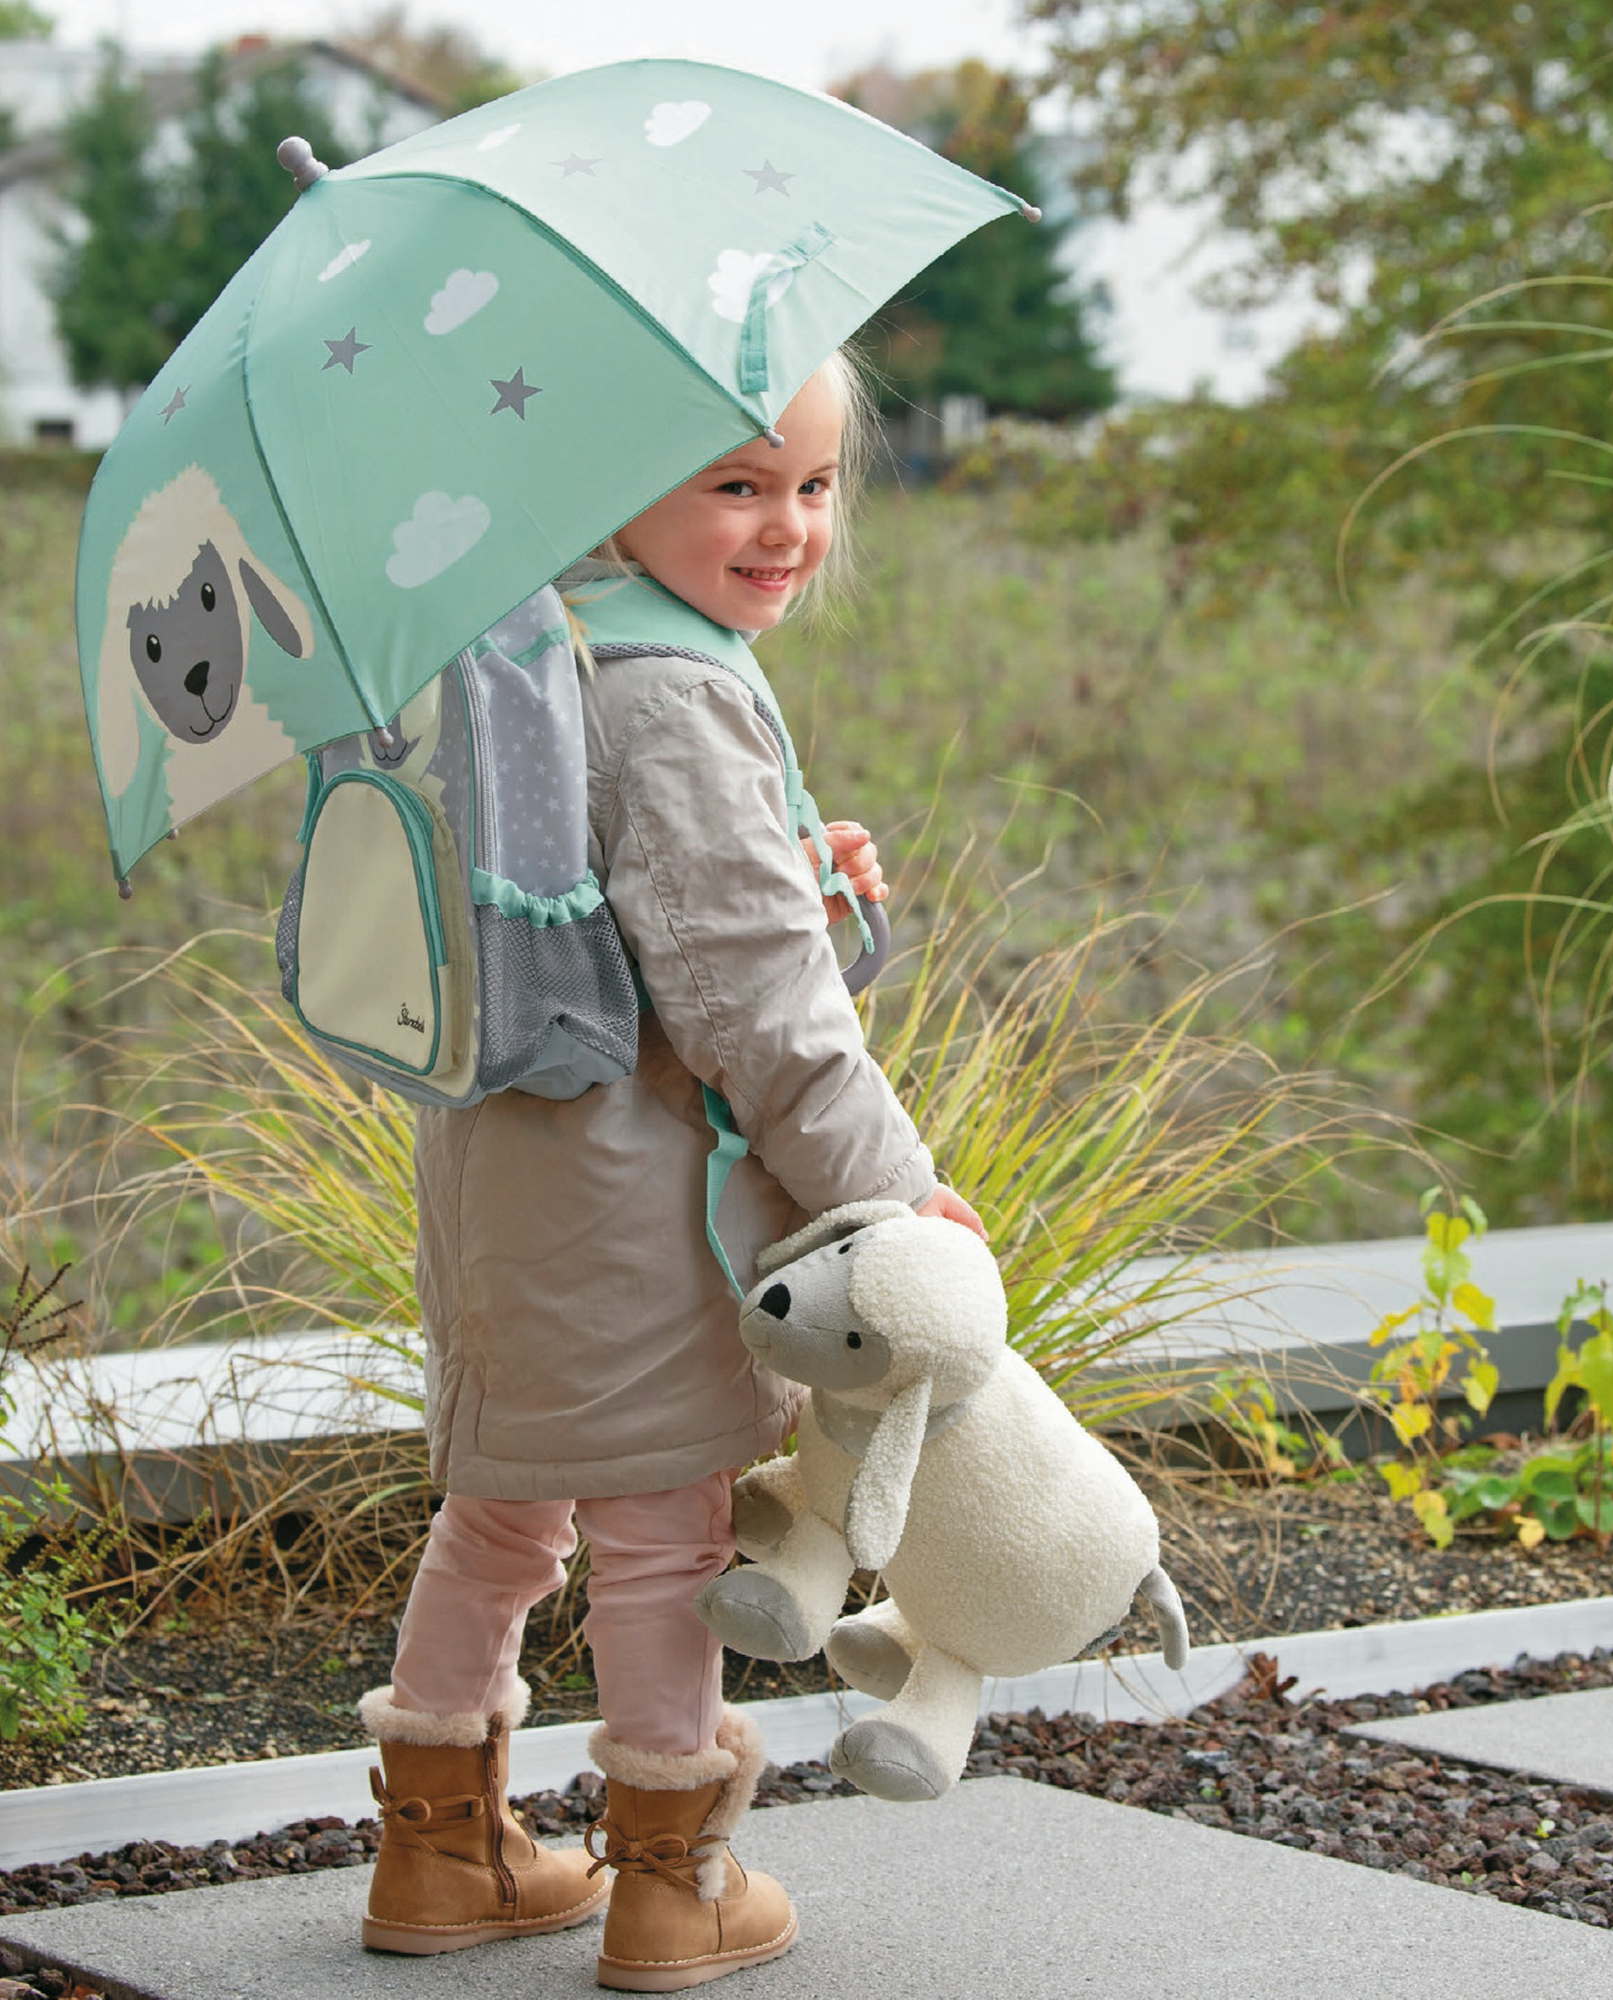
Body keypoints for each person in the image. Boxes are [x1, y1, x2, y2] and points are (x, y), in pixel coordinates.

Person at [356, 348, 985, 1992]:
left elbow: (657, 934)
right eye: (736, 485)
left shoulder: (525, 641)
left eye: (816, 484)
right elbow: (752, 1010)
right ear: (614, 479)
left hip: (502, 1186)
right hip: (641, 1205)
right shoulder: (677, 690)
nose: (789, 527)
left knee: (502, 1512)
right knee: (665, 1537)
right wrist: (890, 1194)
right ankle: (671, 1880)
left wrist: (816, 886)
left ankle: (437, 1856)